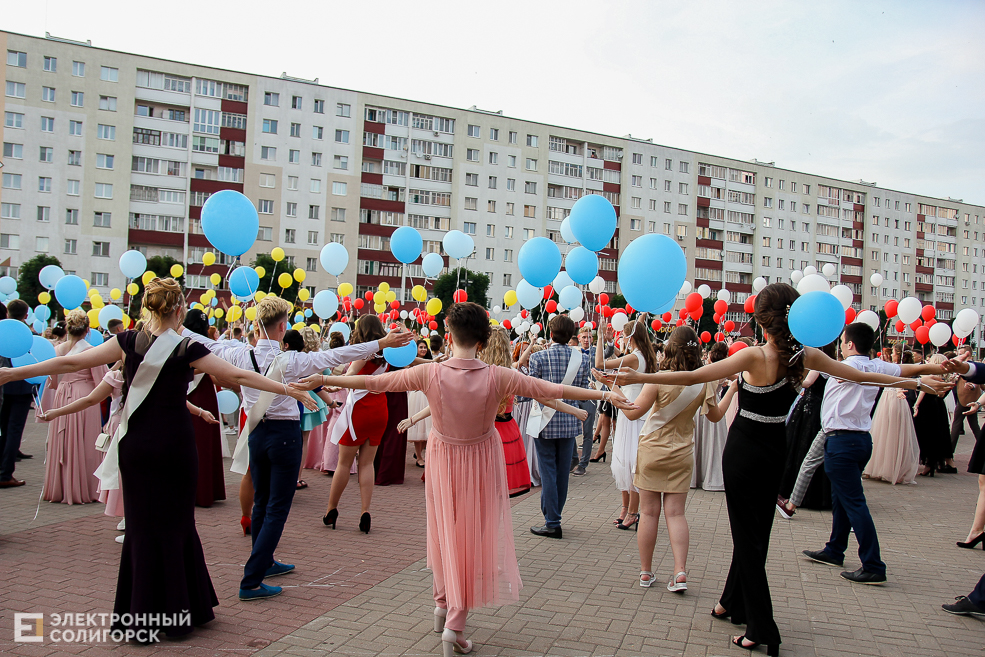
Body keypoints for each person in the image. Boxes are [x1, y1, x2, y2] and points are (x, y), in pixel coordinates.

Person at [595, 283, 950, 656]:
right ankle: (731, 601)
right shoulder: (803, 356)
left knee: (748, 540)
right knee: (756, 534)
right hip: (775, 451)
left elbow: (692, 376)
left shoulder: (755, 355)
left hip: (744, 453)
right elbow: (862, 375)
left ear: (761, 320)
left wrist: (640, 378)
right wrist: (917, 380)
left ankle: (762, 628)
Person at [291, 301, 633, 656]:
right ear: (482, 341)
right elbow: (550, 390)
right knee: (471, 539)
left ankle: (443, 604)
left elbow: (374, 382)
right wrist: (604, 394)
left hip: (443, 461)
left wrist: (325, 379)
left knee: (444, 532)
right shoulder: (497, 375)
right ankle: (454, 623)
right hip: (481, 461)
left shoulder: (431, 373)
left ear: (450, 335)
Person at [0, 278, 320, 636]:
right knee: (177, 525)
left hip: (136, 447)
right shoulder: (186, 347)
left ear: (147, 308)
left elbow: (68, 363)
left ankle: (139, 615)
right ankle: (180, 610)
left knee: (140, 527)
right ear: (180, 309)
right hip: (173, 446)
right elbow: (237, 374)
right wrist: (287, 389)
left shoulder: (125, 342)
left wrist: (12, 373)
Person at [180, 296, 412, 600]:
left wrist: (175, 324)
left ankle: (265, 561)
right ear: (282, 327)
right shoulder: (291, 360)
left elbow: (203, 341)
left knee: (263, 501)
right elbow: (337, 354)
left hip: (256, 434)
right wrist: (381, 342)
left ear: (256, 325)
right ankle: (251, 580)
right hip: (284, 435)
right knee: (277, 507)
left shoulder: (239, 354)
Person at [800, 325, 947, 588]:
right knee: (842, 499)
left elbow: (905, 371)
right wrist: (935, 368)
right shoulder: (876, 366)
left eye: (843, 341)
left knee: (854, 503)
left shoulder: (843, 367)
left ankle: (873, 565)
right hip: (858, 440)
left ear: (850, 344)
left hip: (842, 441)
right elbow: (906, 369)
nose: (841, 345)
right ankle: (834, 549)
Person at [624, 326, 734, 591]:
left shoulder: (659, 378)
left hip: (652, 450)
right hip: (682, 451)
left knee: (648, 513)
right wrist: (732, 391)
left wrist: (612, 391)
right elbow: (716, 416)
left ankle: (646, 572)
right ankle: (680, 571)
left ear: (670, 348)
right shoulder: (704, 381)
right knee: (676, 514)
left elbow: (632, 413)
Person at [520, 315, 592, 538]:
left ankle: (552, 521)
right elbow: (582, 392)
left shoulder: (538, 357)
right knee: (562, 473)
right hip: (569, 421)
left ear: (551, 334)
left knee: (548, 472)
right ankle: (554, 515)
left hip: (544, 421)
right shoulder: (582, 359)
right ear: (571, 335)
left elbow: (532, 390)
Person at [595, 315, 659, 530]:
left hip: (632, 410)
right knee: (625, 462)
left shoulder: (634, 358)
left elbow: (600, 364)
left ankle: (632, 511)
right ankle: (626, 509)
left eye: (623, 335)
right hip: (634, 409)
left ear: (630, 337)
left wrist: (600, 337)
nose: (621, 338)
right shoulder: (645, 356)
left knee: (630, 463)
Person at [40, 309, 109, 503]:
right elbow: (102, 380)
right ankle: (84, 488)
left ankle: (60, 488)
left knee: (61, 440)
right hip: (85, 396)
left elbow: (52, 382)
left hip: (62, 395)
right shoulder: (91, 351)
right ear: (87, 330)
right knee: (86, 442)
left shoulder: (57, 350)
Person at [776, 341, 838, 518]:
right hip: (819, 408)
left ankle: (796, 497)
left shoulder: (820, 366)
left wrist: (791, 378)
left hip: (811, 410)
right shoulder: (833, 365)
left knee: (805, 453)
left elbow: (808, 382)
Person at [480, 326, 532, 497]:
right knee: (501, 485)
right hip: (507, 430)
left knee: (483, 484)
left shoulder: (477, 372)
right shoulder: (511, 373)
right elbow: (544, 395)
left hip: (484, 430)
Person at [182, 309, 227, 507]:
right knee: (204, 440)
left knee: (191, 440)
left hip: (190, 390)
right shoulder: (205, 344)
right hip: (202, 391)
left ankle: (191, 491)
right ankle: (206, 489)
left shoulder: (180, 341)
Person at [0, 300, 34, 487]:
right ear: (26, 315)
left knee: (4, 428)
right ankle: (6, 474)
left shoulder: (2, 330)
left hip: (3, 384)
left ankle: (3, 470)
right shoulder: (27, 333)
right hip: (21, 385)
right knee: (14, 430)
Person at [691, 341, 731, 492]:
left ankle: (695, 477)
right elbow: (738, 378)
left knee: (698, 440)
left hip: (699, 407)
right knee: (712, 440)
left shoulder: (705, 368)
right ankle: (710, 476)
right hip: (713, 404)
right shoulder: (724, 369)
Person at [408, 338, 433, 467]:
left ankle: (421, 453)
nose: (423, 349)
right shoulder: (411, 362)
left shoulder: (431, 362)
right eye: (420, 347)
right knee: (418, 427)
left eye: (425, 347)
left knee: (428, 428)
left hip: (428, 395)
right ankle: (418, 456)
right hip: (416, 395)